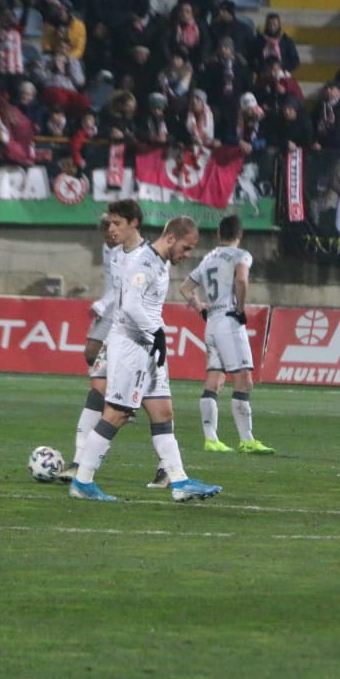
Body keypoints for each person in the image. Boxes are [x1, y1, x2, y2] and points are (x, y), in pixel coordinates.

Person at [68, 215, 222, 503]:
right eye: (186, 248)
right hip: (133, 347)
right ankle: (82, 480)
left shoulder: (159, 262)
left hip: (149, 348)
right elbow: (130, 305)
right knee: (117, 414)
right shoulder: (144, 262)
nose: (186, 256)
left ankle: (179, 481)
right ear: (172, 238)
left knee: (163, 412)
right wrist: (156, 333)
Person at [57, 203, 167, 488]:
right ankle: (80, 462)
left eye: (116, 224)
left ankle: (166, 468)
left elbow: (135, 299)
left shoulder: (148, 257)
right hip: (117, 330)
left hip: (138, 337)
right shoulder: (116, 254)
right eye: (108, 225)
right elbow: (118, 293)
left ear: (134, 223)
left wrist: (151, 332)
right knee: (98, 384)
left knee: (157, 406)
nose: (110, 229)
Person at [179, 214, 274, 455]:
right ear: (240, 235)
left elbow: (185, 288)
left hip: (211, 322)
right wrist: (240, 309)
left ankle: (211, 439)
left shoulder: (208, 258)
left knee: (215, 379)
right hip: (229, 322)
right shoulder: (240, 255)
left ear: (219, 234)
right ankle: (247, 440)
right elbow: (241, 279)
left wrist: (199, 306)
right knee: (244, 380)